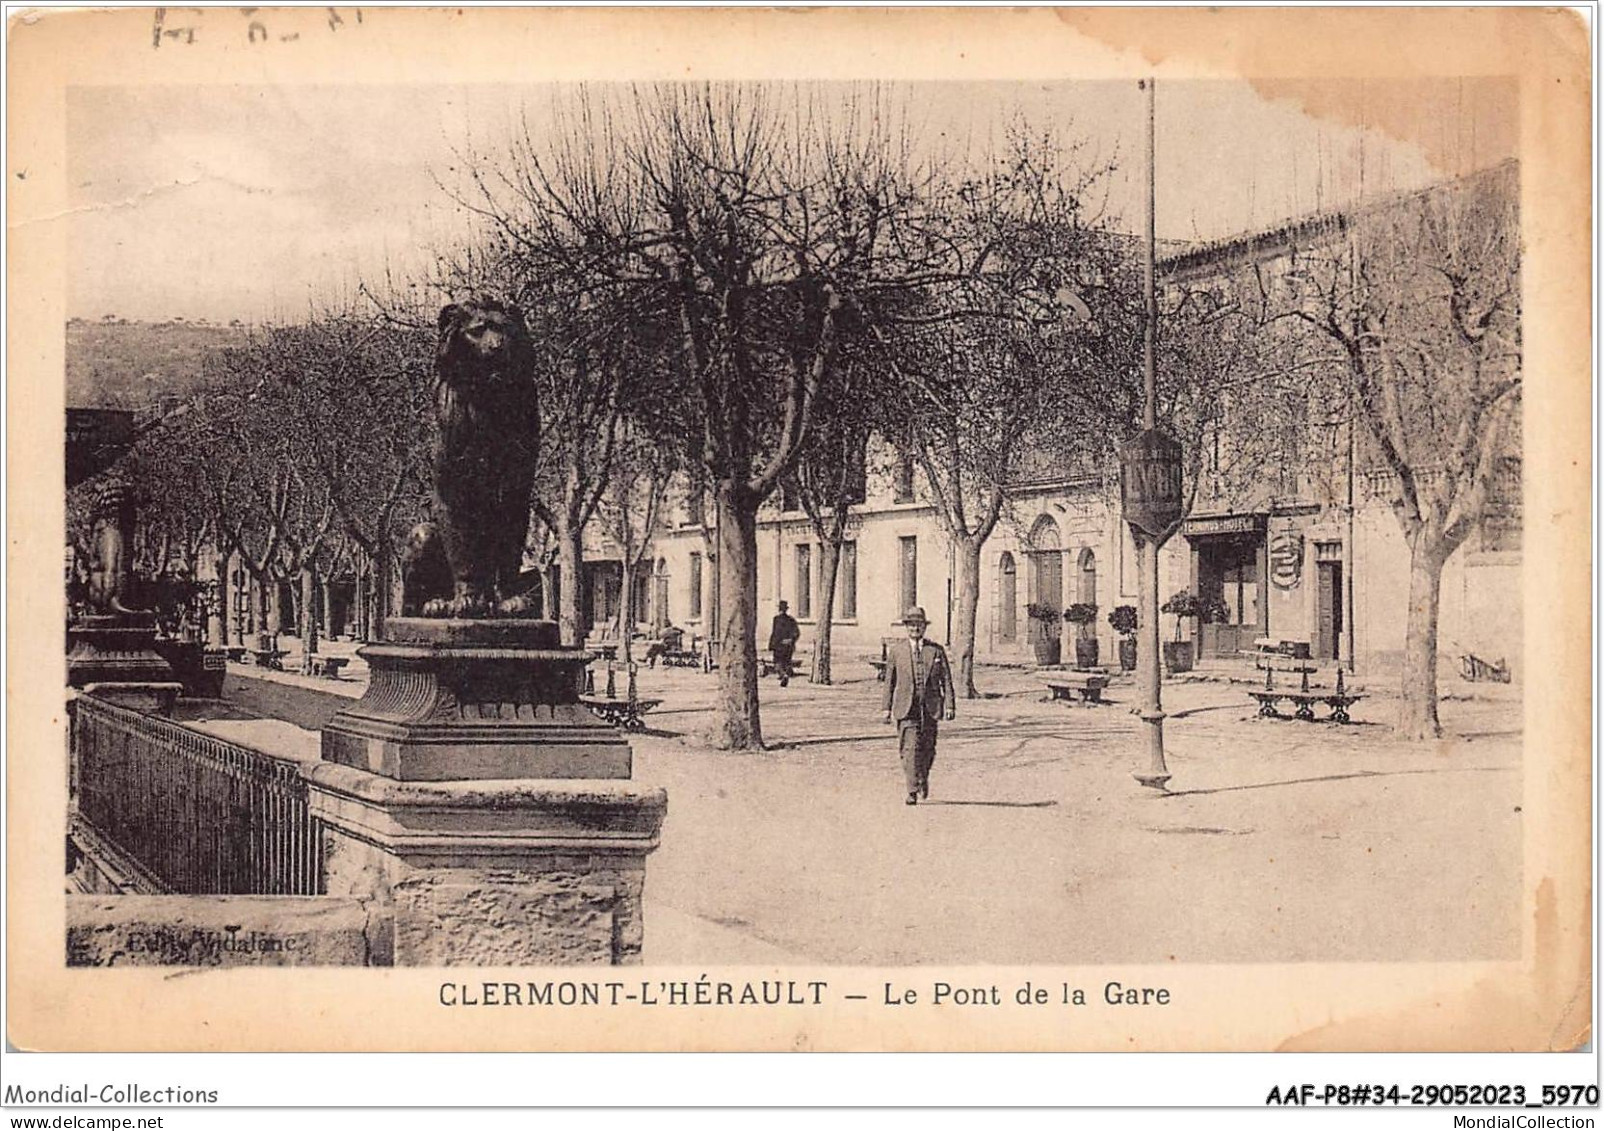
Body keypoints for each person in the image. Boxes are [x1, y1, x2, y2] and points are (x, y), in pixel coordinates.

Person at [882, 606, 956, 805]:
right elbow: (889, 682)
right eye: (911, 625)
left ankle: (923, 777)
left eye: (919, 625)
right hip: (906, 708)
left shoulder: (936, 650)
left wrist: (949, 705)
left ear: (924, 627)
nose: (915, 628)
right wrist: (886, 708)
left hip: (930, 707)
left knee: (928, 749)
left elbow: (946, 680)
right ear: (906, 628)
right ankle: (912, 789)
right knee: (910, 748)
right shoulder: (897, 652)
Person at [767, 601, 801, 686]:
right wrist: (791, 640)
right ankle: (785, 675)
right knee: (786, 661)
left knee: (777, 662)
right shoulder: (791, 620)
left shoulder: (776, 619)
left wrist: (771, 645)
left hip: (779, 645)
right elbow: (796, 632)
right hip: (788, 645)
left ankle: (783, 675)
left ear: (779, 609)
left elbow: (775, 633)